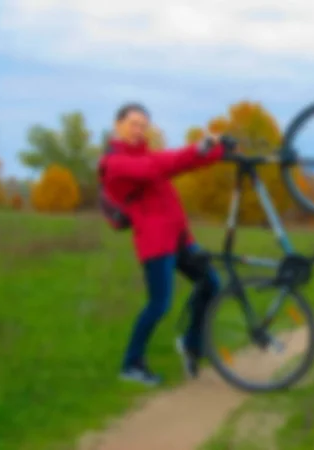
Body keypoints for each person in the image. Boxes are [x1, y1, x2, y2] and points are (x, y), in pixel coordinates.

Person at [99, 102, 229, 386]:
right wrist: (198, 147)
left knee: (211, 283)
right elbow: (158, 166)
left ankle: (192, 343)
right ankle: (131, 364)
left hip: (181, 239)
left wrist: (219, 150)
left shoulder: (146, 156)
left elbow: (181, 163)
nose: (138, 130)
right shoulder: (115, 164)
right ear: (117, 125)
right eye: (133, 124)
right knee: (159, 305)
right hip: (156, 244)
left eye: (143, 126)